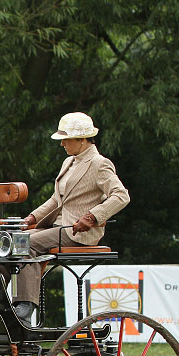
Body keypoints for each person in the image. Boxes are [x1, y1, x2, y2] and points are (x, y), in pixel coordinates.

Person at [13, 112, 130, 324]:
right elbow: (56, 200)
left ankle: (25, 307)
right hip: (58, 226)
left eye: (66, 139)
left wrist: (93, 216)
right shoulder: (69, 162)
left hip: (76, 232)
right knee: (9, 242)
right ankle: (8, 300)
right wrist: (32, 217)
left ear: (83, 139)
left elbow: (121, 196)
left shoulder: (99, 163)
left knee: (25, 244)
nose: (62, 144)